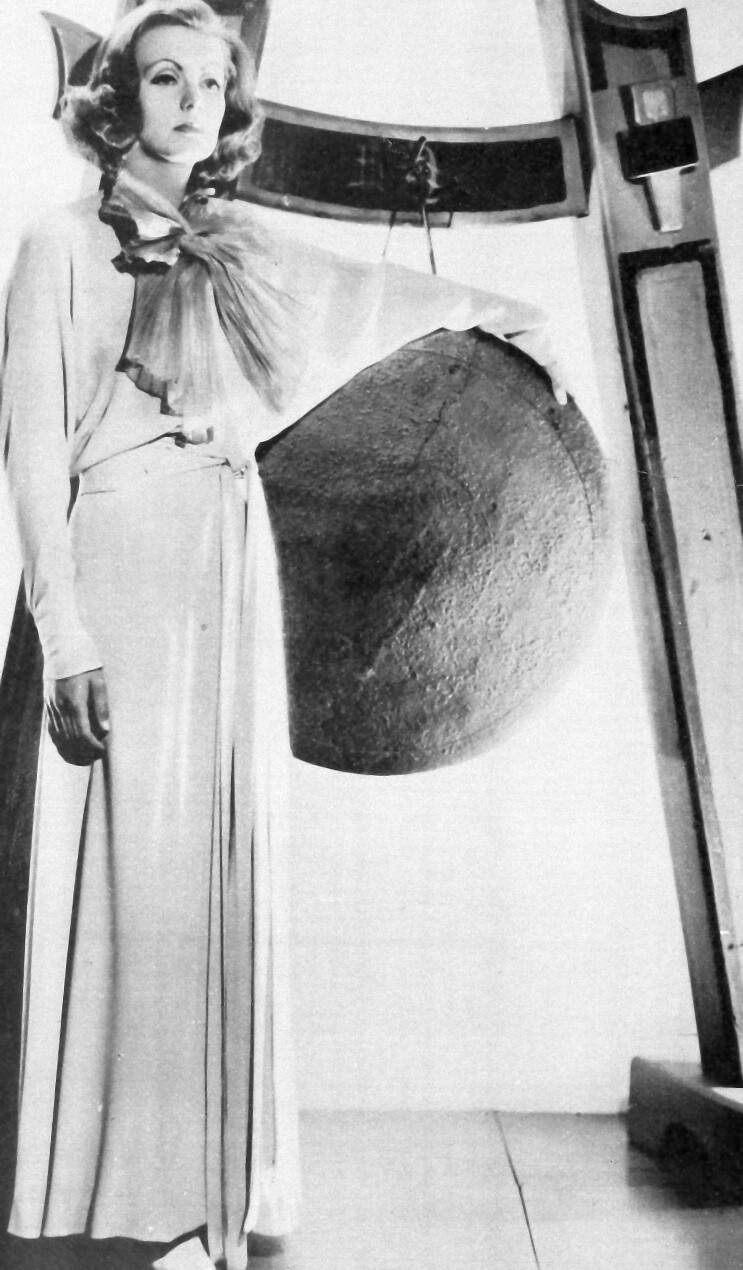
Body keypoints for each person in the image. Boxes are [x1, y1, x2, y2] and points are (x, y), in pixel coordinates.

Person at [0, 2, 568, 1267]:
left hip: (231, 563)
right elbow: (32, 455)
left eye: (209, 84)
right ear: (118, 102)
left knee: (224, 866)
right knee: (134, 881)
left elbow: (374, 298)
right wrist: (67, 635)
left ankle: (215, 1186)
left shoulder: (242, 248)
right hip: (123, 562)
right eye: (164, 79)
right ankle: (106, 1196)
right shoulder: (56, 246)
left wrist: (518, 320)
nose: (189, 103)